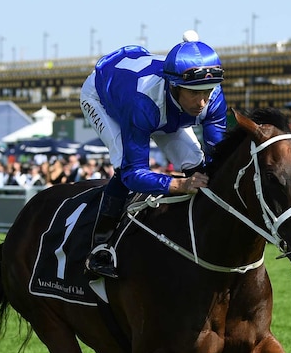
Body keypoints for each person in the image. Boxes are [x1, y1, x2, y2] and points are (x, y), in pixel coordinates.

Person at [79, 31, 227, 278]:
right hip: (102, 96)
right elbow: (133, 173)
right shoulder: (143, 103)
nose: (202, 102)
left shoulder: (213, 97)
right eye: (194, 93)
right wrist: (178, 184)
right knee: (122, 166)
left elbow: (217, 160)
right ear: (174, 86)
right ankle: (100, 248)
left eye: (207, 91)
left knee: (198, 163)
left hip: (162, 106)